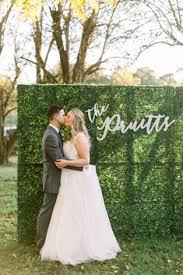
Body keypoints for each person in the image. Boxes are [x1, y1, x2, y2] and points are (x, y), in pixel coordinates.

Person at [40, 108, 122, 265]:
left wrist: (67, 163)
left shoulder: (80, 137)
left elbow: (86, 160)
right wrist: (66, 164)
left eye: (68, 116)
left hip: (77, 180)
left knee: (80, 213)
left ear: (75, 119)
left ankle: (82, 248)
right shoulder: (67, 137)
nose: (66, 118)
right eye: (65, 115)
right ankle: (68, 245)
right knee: (68, 214)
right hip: (68, 180)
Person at [36, 106, 83, 252]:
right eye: (63, 114)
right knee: (46, 211)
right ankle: (41, 245)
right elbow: (58, 159)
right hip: (53, 180)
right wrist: (82, 166)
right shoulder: (50, 135)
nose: (64, 117)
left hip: (60, 179)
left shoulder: (55, 133)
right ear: (56, 117)